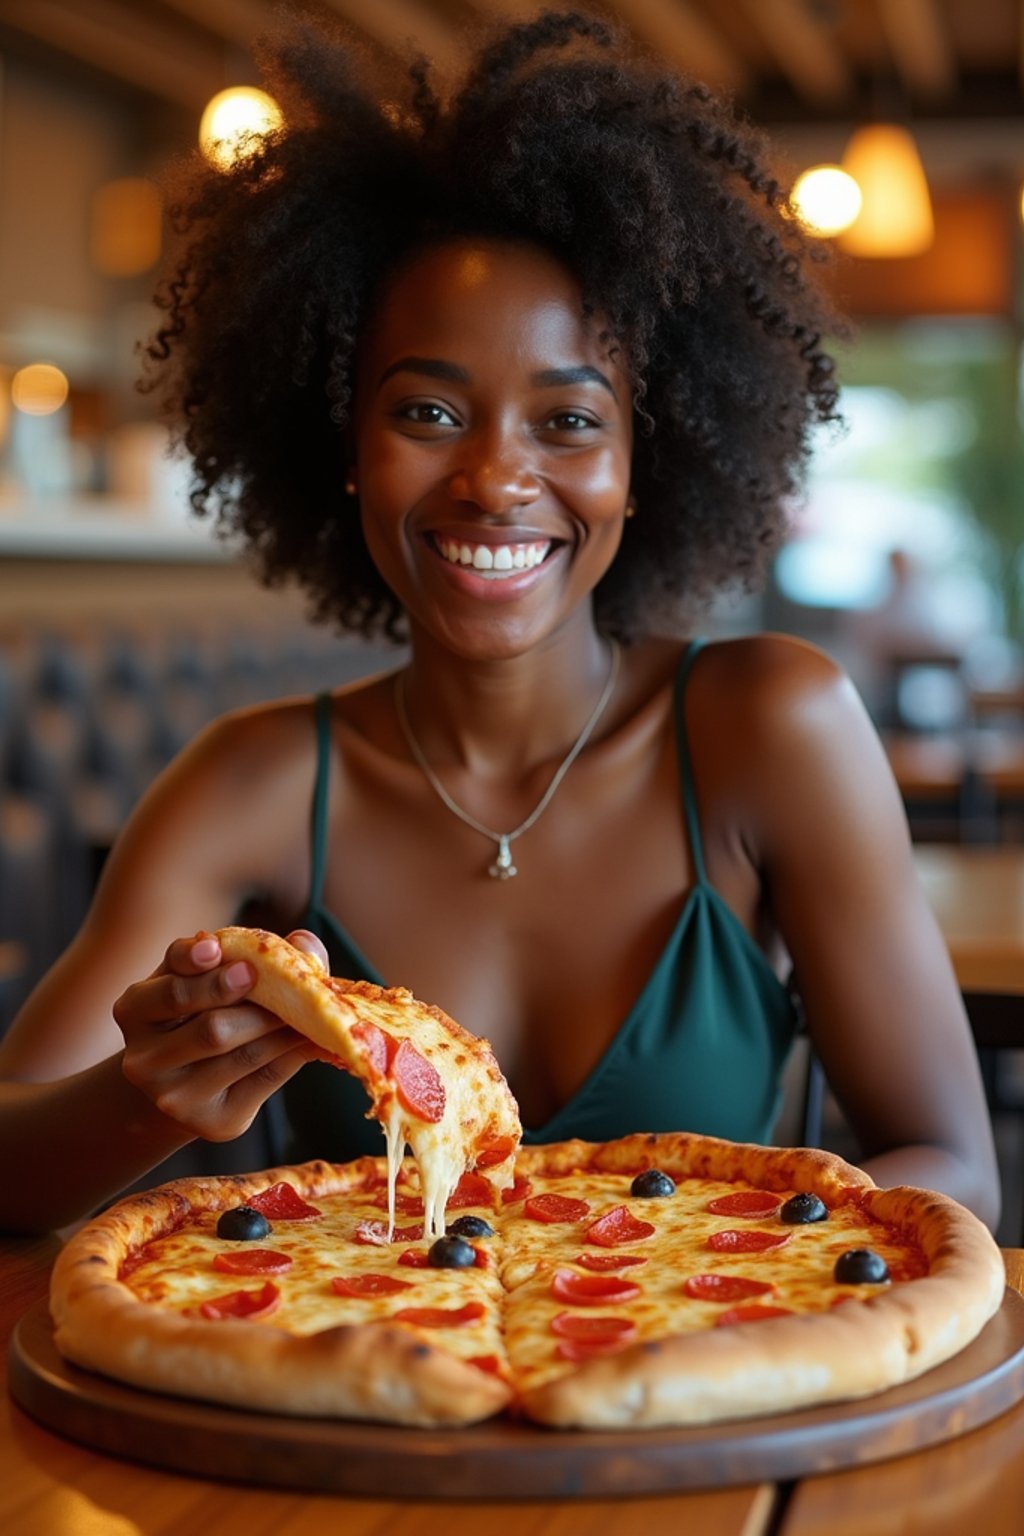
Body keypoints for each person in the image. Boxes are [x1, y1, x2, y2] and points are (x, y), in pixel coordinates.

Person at [0, 11, 999, 1233]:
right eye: (426, 413)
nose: (494, 478)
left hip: (709, 1401)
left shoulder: (770, 725)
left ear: (646, 462)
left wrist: (706, 1278)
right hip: (365, 1404)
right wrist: (146, 1097)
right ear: (346, 451)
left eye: (567, 422)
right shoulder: (250, 781)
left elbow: (952, 1158)